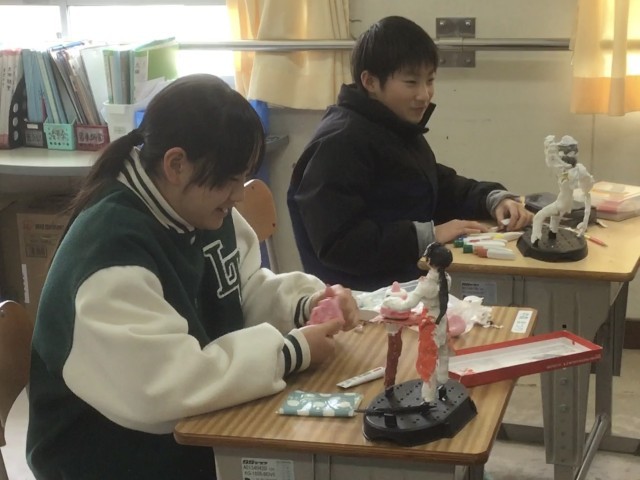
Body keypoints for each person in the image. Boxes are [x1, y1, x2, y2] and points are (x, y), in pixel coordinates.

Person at [26, 74, 359, 480]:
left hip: (190, 431)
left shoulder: (195, 207)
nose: (239, 195)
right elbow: (165, 387)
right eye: (230, 180)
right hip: (107, 455)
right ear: (176, 165)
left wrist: (304, 306)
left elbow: (242, 291)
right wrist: (290, 352)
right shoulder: (110, 252)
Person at [287, 16, 533, 292]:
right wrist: (430, 235)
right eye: (411, 82)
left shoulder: (390, 125)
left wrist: (492, 199)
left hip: (405, 282)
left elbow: (435, 185)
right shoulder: (339, 142)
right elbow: (340, 244)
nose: (424, 95)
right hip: (362, 299)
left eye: (430, 80)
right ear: (370, 81)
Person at [380, 242, 453, 404]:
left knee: (428, 362)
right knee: (443, 352)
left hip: (431, 325)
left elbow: (407, 305)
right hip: (442, 320)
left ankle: (428, 398)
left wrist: (389, 301)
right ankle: (443, 379)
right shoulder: (447, 278)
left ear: (430, 262)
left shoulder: (425, 286)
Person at [530, 135, 594, 245]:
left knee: (538, 217)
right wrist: (549, 148)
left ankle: (535, 240)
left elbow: (586, 183)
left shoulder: (569, 170)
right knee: (555, 217)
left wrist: (551, 150)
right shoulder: (572, 169)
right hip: (566, 202)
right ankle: (552, 233)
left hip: (562, 203)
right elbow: (552, 162)